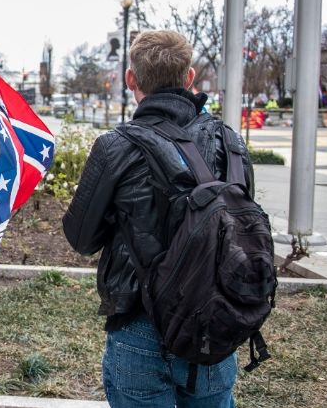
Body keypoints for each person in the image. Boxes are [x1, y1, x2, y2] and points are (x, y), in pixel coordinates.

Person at [63, 30, 254, 407]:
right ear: (189, 78)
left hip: (140, 324)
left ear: (130, 79)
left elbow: (81, 239)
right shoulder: (230, 141)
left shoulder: (115, 146)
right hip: (214, 322)